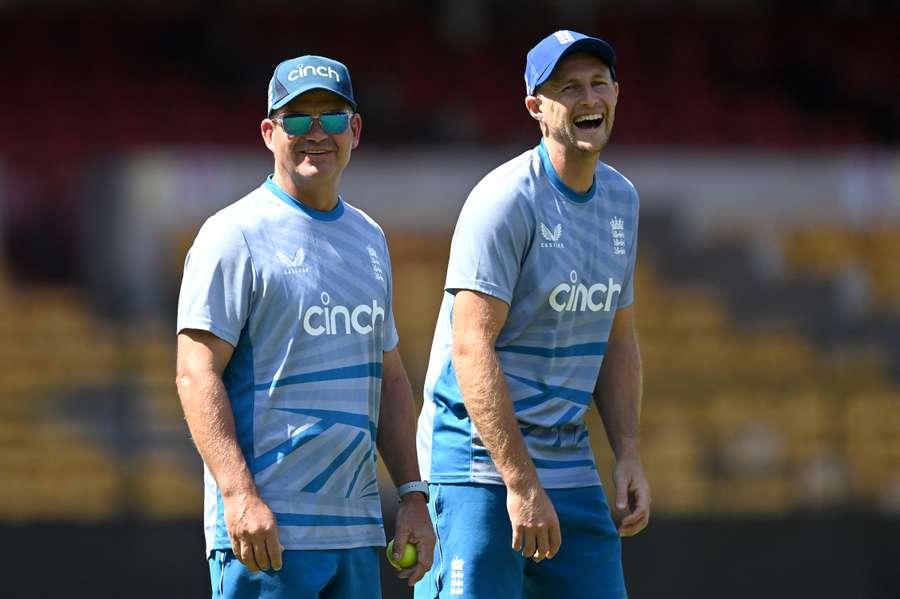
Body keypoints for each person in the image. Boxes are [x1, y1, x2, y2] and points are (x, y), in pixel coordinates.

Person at [175, 54, 434, 599]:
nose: (316, 133)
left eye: (332, 118)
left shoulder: (370, 239)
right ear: (270, 133)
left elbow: (388, 378)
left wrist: (412, 492)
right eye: (297, 119)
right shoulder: (232, 235)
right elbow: (196, 374)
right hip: (267, 535)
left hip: (357, 532)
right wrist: (238, 495)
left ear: (355, 131)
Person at [414, 31, 650, 599]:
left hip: (567, 460)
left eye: (598, 84)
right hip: (477, 462)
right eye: (568, 88)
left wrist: (629, 456)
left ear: (617, 93)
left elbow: (616, 339)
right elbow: (472, 348)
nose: (587, 98)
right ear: (536, 108)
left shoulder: (623, 200)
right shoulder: (505, 200)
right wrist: (519, 484)